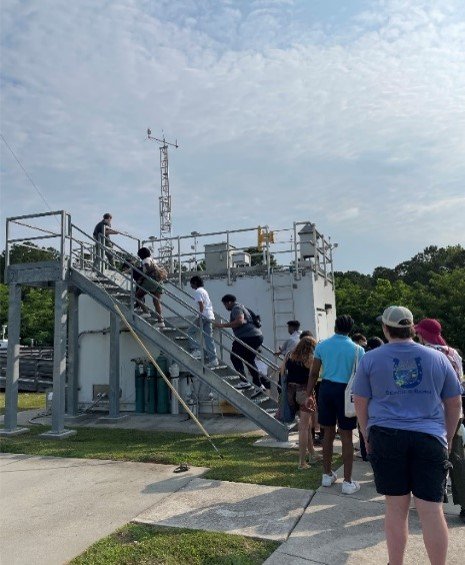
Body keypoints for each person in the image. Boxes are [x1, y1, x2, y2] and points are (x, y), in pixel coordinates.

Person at [353, 306, 462, 565]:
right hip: (430, 437)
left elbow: (360, 401)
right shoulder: (438, 358)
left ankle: (396, 563)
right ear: (412, 328)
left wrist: (367, 434)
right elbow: (454, 403)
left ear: (385, 328)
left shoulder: (370, 359)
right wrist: (446, 437)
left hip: (386, 435)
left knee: (396, 508)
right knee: (432, 510)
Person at [414, 317, 465, 524]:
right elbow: (459, 383)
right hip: (455, 413)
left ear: (422, 334)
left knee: (428, 460)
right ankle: (463, 503)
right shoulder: (453, 353)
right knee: (456, 459)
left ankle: (433, 498)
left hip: (431, 415)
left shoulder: (424, 355)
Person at [307, 315, 365, 494]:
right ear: (351, 329)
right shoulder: (357, 349)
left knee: (327, 433)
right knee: (347, 436)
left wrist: (309, 394)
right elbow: (361, 377)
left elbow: (314, 372)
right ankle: (347, 481)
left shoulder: (322, 345)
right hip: (346, 392)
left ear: (335, 326)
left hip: (326, 389)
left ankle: (327, 475)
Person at [280, 336, 322, 469]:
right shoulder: (309, 358)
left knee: (307, 425)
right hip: (304, 393)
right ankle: (301, 462)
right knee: (304, 427)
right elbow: (314, 376)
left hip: (290, 392)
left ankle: (313, 454)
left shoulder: (289, 355)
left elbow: (282, 372)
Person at [215, 295, 264, 391]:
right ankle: (258, 385)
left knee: (234, 356)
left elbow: (240, 321)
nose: (225, 307)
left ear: (229, 302)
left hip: (247, 337)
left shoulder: (236, 308)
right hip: (256, 336)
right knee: (249, 360)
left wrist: (222, 325)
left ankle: (244, 381)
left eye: (225, 305)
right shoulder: (242, 306)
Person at [188, 276, 218, 368]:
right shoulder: (204, 291)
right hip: (210, 316)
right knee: (208, 338)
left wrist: (199, 316)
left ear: (195, 283)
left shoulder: (197, 292)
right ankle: (214, 360)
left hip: (204, 316)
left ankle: (196, 350)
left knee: (190, 331)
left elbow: (201, 305)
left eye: (191, 283)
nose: (191, 285)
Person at [134, 247, 165, 327]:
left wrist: (141, 278)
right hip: (159, 281)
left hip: (151, 281)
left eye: (139, 255)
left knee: (138, 295)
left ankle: (146, 312)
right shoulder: (154, 260)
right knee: (156, 301)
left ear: (142, 255)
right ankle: (160, 321)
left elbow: (149, 270)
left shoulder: (145, 260)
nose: (139, 257)